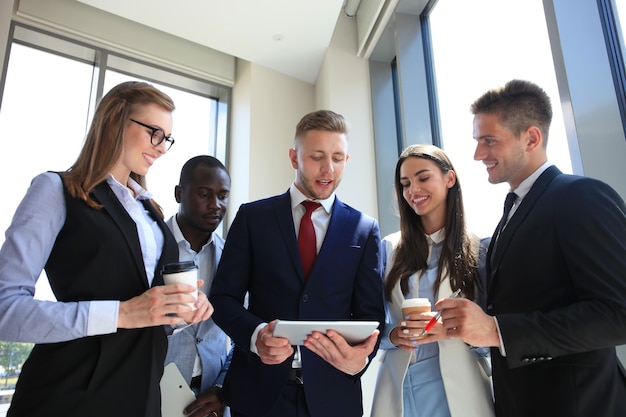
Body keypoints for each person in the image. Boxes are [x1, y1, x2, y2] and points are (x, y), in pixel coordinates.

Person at [0, 81, 213, 417]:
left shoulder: (152, 214)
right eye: (154, 132)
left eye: (166, 139)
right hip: (69, 395)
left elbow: (148, 311)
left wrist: (179, 310)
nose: (160, 148)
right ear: (115, 121)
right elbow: (5, 310)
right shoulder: (56, 190)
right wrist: (123, 314)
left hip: (142, 397)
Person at [436, 79, 626, 417]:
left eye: (489, 141)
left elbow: (619, 314)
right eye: (478, 142)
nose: (478, 154)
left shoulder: (580, 197)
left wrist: (497, 330)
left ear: (532, 138)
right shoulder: (512, 212)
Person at [208, 109, 385, 417]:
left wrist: (362, 360)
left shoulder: (364, 228)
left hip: (335, 398)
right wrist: (257, 335)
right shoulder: (253, 218)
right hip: (258, 395)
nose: (328, 169)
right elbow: (223, 299)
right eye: (317, 157)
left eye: (338, 157)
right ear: (294, 157)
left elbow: (372, 315)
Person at [371, 144, 494, 417]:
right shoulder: (387, 249)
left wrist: (456, 328)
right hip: (399, 387)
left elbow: (491, 338)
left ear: (449, 179)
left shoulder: (480, 249)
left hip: (459, 390)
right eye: (405, 184)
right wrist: (394, 334)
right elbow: (370, 323)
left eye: (423, 178)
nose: (413, 190)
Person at [163, 155, 232, 417]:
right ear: (179, 193)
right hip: (149, 395)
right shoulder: (148, 249)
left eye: (223, 196)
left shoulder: (231, 257)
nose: (215, 205)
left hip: (211, 403)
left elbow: (243, 336)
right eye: (204, 194)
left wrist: (222, 388)